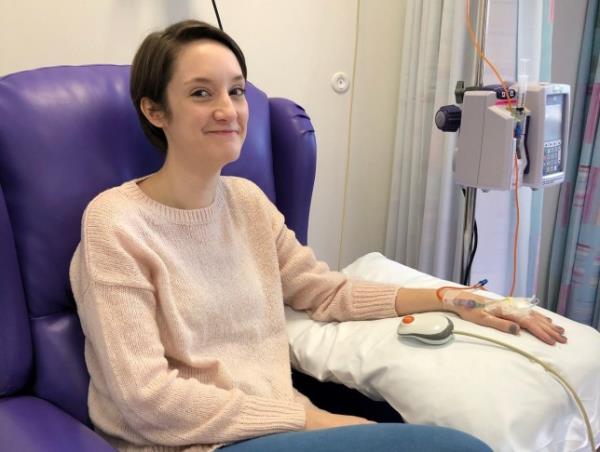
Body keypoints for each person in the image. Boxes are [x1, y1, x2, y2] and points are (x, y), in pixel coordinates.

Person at [69, 20, 565, 452]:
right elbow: (145, 399)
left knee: (459, 422)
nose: (228, 110)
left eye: (236, 91)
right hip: (193, 443)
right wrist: (309, 420)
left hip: (278, 419)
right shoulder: (115, 223)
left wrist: (447, 298)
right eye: (202, 93)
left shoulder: (246, 202)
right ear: (156, 112)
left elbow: (326, 292)